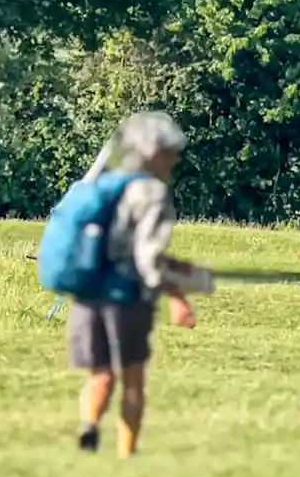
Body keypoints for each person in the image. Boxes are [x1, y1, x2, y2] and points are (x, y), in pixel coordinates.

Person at [67, 111, 214, 458]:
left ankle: (89, 425)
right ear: (155, 153)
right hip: (126, 297)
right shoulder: (151, 193)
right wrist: (178, 297)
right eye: (171, 152)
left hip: (87, 293)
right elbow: (148, 260)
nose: (175, 160)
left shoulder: (101, 184)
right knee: (132, 380)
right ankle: (127, 454)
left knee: (100, 375)